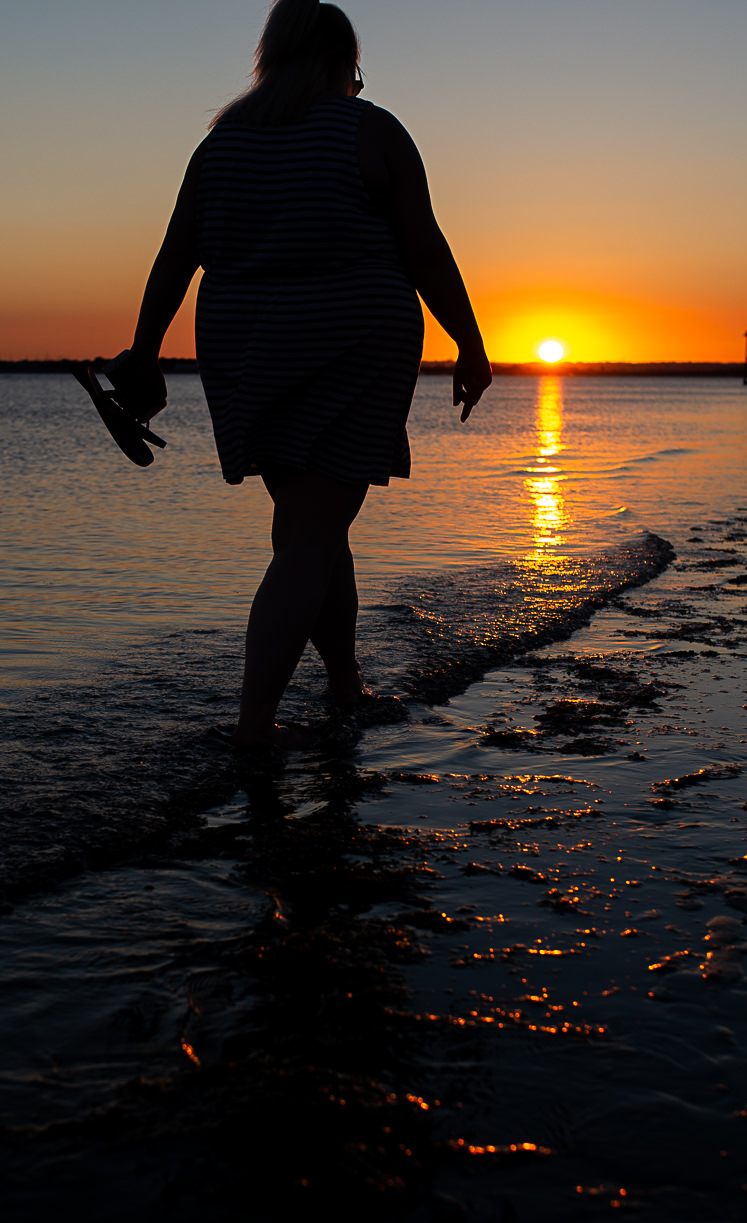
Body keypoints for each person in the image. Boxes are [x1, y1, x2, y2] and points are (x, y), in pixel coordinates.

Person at [108, 0, 492, 750]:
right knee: (313, 534)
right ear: (342, 62)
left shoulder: (220, 146)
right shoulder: (369, 129)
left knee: (312, 526)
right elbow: (426, 251)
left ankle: (344, 683)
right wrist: (471, 345)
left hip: (249, 349)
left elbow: (174, 257)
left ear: (269, 59)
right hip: (354, 343)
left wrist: (144, 349)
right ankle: (252, 728)